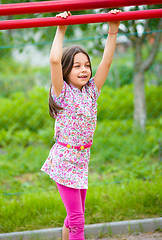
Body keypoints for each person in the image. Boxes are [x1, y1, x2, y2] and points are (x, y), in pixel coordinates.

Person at [41, 9, 121, 240]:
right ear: (66, 71)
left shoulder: (91, 92)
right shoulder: (62, 93)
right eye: (77, 66)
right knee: (77, 220)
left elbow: (106, 61)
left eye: (86, 65)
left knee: (74, 215)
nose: (84, 69)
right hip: (65, 160)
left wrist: (113, 29)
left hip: (81, 160)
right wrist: (61, 28)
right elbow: (54, 59)